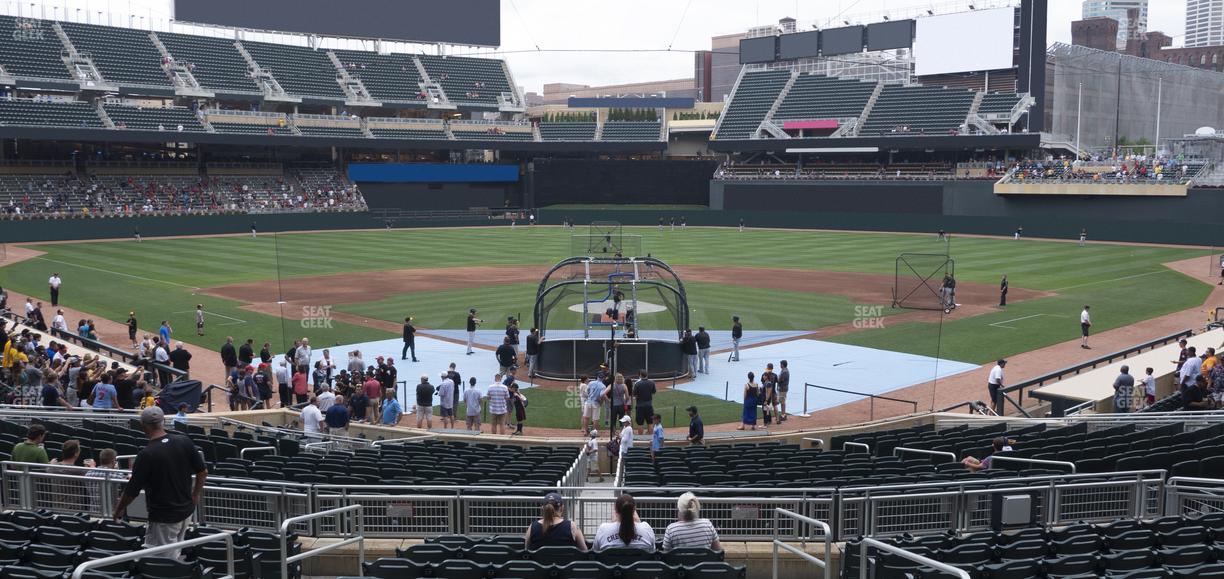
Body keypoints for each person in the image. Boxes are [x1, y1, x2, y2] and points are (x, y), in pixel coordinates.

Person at [112, 407, 208, 560]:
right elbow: (203, 471)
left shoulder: (146, 454)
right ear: (163, 422)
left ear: (143, 426)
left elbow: (132, 490)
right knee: (174, 554)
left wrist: (119, 509)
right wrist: (195, 495)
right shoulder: (183, 441)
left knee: (163, 563)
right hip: (186, 512)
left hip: (164, 517)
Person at [632, 370, 655, 435]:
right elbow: (653, 392)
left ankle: (640, 438)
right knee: (650, 422)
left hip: (640, 406)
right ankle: (650, 438)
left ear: (640, 375)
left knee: (640, 423)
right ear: (646, 375)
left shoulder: (637, 384)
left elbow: (634, 395)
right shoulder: (651, 382)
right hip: (649, 405)